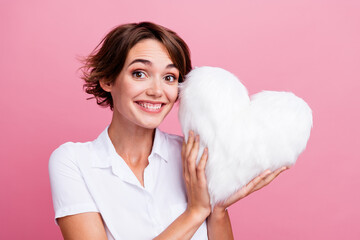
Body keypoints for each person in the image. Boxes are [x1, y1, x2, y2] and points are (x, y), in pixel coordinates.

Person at [48, 21, 288, 240]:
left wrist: (218, 209)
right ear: (108, 79)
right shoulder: (74, 162)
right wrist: (196, 212)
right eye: (139, 73)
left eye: (170, 77)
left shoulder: (196, 157)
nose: (156, 91)